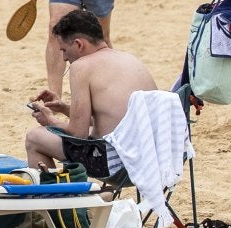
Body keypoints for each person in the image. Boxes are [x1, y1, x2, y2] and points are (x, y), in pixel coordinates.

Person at [22, 9, 157, 176]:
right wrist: (65, 108)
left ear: (79, 44)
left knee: (34, 138)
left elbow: (79, 134)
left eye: (64, 50)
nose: (64, 58)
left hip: (117, 163)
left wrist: (50, 121)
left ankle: (57, 197)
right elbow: (111, 118)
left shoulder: (81, 67)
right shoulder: (129, 59)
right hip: (154, 157)